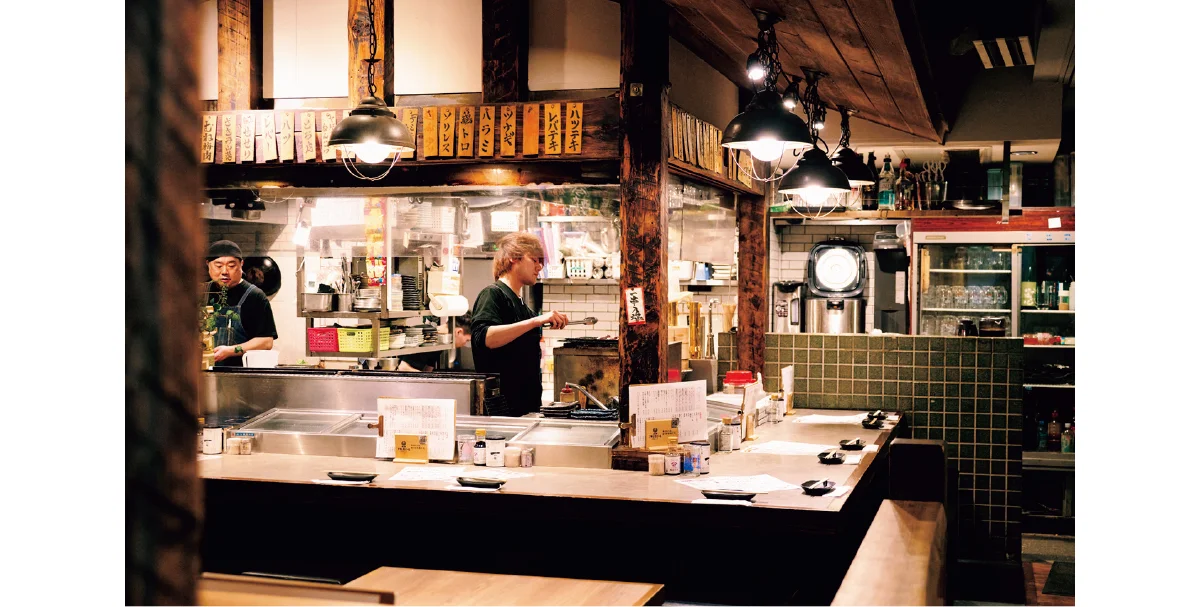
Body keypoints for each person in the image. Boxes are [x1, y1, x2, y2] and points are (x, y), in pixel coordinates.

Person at [471, 232, 568, 416]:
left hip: (525, 409)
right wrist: (536, 321)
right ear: (513, 258)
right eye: (534, 260)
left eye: (542, 262)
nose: (539, 267)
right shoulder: (493, 294)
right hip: (502, 412)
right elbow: (486, 338)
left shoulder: (522, 304)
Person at [202, 240, 278, 366]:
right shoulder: (200, 293)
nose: (225, 271)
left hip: (238, 376)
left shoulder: (255, 297)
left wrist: (231, 350)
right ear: (208, 264)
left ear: (241, 264)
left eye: (231, 266)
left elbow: (266, 342)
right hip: (202, 375)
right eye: (218, 266)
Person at [397, 314, 472, 372]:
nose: (465, 344)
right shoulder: (426, 335)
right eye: (467, 340)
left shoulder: (440, 342)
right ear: (459, 332)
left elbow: (427, 371)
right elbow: (403, 368)